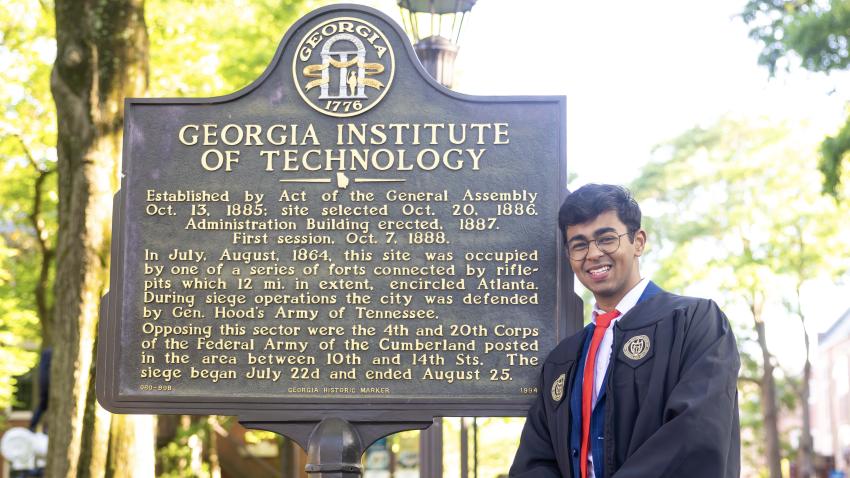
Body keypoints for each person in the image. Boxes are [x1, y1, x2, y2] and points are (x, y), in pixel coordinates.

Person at [510, 184, 740, 478]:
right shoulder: (563, 360)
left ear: (638, 242)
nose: (593, 254)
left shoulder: (695, 322)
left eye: (606, 239)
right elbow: (536, 459)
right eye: (579, 245)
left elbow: (696, 436)